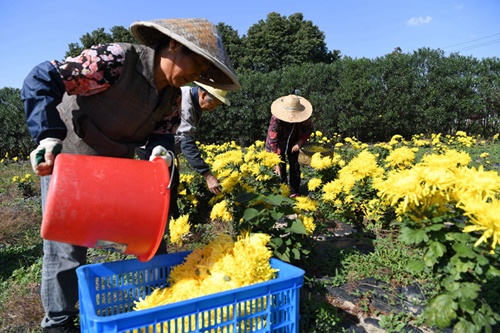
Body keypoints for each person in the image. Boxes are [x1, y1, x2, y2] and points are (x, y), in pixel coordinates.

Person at [21, 18, 239, 333]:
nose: (197, 75)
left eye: (204, 71)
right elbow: (43, 77)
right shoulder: (116, 60)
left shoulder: (173, 95)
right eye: (197, 63)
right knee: (66, 247)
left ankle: (150, 304)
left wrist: (160, 150)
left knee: (140, 237)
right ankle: (59, 321)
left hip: (115, 169)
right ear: (173, 45)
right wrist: (46, 135)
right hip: (71, 159)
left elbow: (163, 133)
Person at [175, 81, 231, 194]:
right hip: (150, 148)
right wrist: (208, 176)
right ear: (204, 95)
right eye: (214, 104)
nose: (213, 108)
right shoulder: (184, 104)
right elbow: (186, 141)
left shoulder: (193, 100)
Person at [265, 94, 313, 197]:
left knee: (295, 166)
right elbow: (273, 140)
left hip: (294, 141)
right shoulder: (276, 119)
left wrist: (299, 143)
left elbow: (308, 129)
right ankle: (282, 192)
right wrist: (275, 162)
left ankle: (295, 190)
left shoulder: (305, 117)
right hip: (278, 144)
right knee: (279, 169)